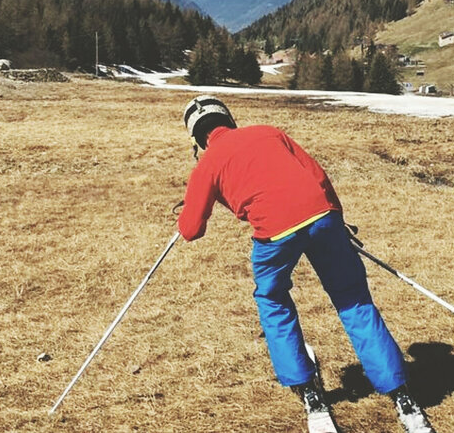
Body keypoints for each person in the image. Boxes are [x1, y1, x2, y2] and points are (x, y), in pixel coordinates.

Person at [176, 95, 435, 433]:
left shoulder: (207, 165)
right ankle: (405, 401)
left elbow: (191, 230)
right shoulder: (269, 132)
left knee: (272, 300)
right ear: (229, 118)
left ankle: (310, 394)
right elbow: (318, 176)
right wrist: (338, 222)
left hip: (274, 233)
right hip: (324, 216)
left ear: (197, 137)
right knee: (353, 299)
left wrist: (191, 206)